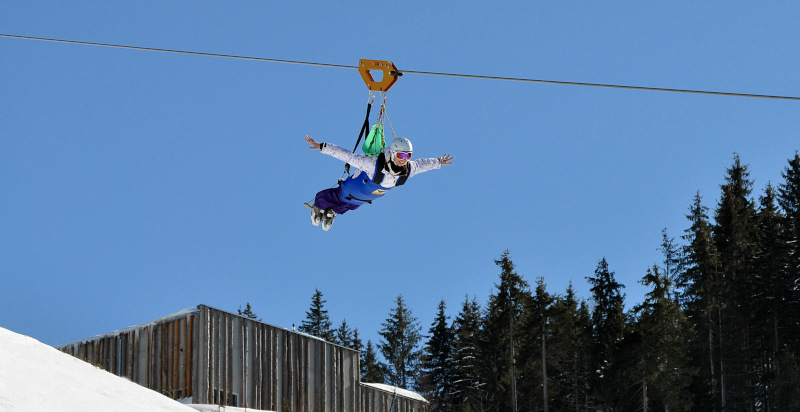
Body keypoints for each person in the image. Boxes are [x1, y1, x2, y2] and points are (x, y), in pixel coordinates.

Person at [305, 134, 454, 230]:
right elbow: (347, 156)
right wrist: (322, 147)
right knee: (332, 197)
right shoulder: (374, 164)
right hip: (351, 189)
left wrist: (438, 162)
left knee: (350, 206)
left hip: (362, 199)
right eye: (401, 154)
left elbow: (422, 164)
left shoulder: (408, 170)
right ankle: (318, 207)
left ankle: (333, 212)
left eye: (408, 155)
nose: (404, 159)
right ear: (394, 153)